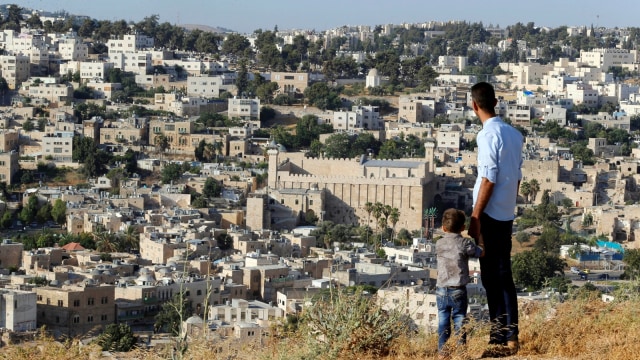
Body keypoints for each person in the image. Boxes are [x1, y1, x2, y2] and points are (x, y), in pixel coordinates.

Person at [467, 81, 523, 357]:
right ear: (495, 103)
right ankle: (510, 336)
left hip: (489, 214)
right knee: (504, 275)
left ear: (474, 105)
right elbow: (517, 178)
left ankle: (500, 339)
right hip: (505, 213)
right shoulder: (514, 135)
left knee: (492, 277)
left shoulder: (487, 136)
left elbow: (488, 178)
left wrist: (476, 217)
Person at [435, 208, 484, 357]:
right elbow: (481, 252)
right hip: (458, 289)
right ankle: (461, 351)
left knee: (443, 320)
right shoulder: (464, 243)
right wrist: (480, 238)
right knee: (459, 320)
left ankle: (442, 351)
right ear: (463, 228)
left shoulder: (439, 244)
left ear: (443, 228)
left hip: (441, 289)